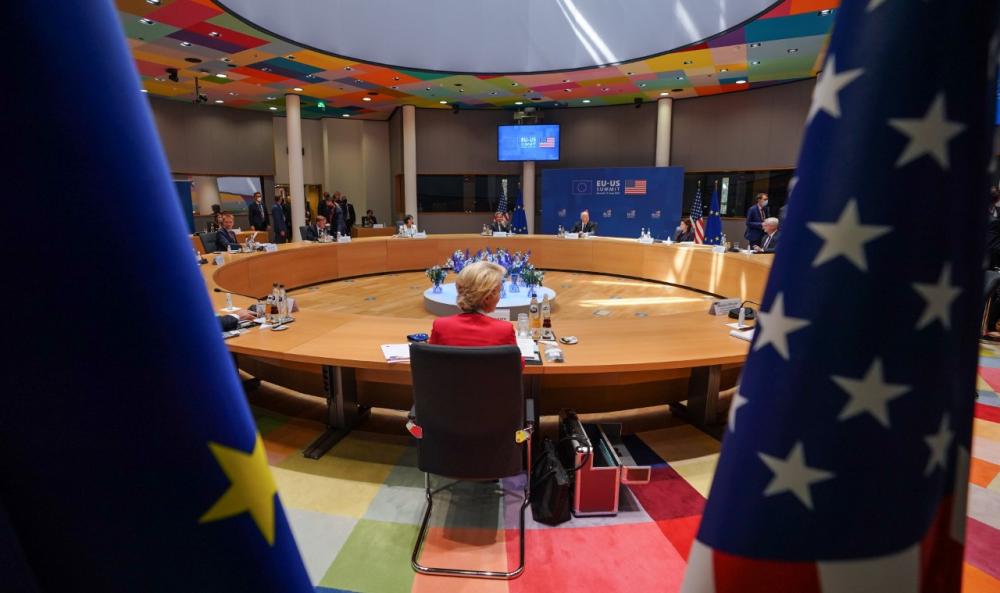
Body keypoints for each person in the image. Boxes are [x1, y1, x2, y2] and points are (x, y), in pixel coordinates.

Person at [429, 261, 516, 347]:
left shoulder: (440, 326)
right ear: (487, 297)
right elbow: (516, 361)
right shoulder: (505, 330)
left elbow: (430, 359)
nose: (499, 296)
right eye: (499, 291)